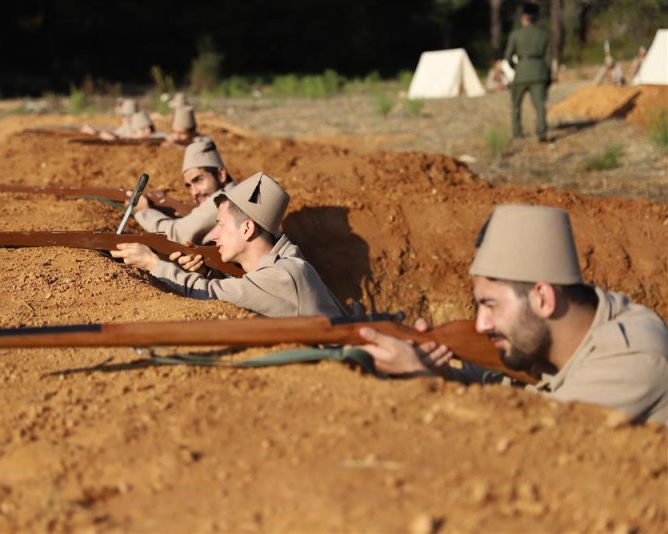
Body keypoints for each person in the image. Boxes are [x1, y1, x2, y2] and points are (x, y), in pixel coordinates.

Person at [357, 204, 668, 424]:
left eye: (491, 305)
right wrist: (448, 376)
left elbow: (526, 446)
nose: (481, 324)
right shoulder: (555, 340)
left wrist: (423, 383)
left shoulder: (633, 359)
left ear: (543, 298)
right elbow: (517, 397)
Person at [111, 172, 348, 318]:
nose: (213, 235)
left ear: (247, 229)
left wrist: (153, 264)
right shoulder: (286, 264)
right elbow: (253, 291)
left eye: (221, 225)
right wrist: (208, 272)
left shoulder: (287, 276)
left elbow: (211, 296)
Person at [134, 139, 236, 245]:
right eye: (189, 186)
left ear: (221, 175)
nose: (194, 192)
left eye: (198, 180)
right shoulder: (235, 192)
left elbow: (176, 234)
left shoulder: (224, 200)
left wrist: (144, 211)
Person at [504, 3, 551, 142]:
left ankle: (517, 133)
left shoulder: (515, 34)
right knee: (539, 105)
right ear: (536, 18)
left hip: (521, 73)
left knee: (516, 105)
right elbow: (548, 58)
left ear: (523, 18)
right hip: (539, 73)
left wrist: (517, 67)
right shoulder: (544, 34)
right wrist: (546, 74)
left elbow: (507, 56)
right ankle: (542, 132)